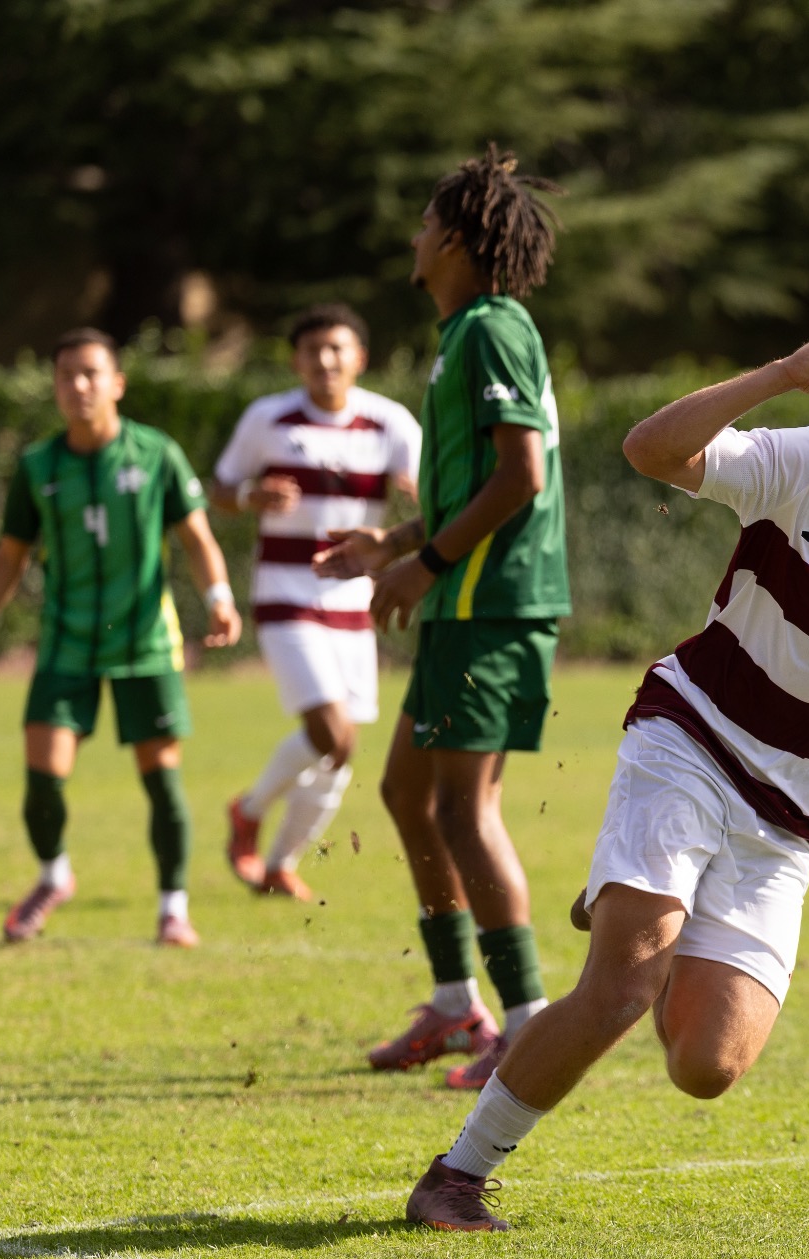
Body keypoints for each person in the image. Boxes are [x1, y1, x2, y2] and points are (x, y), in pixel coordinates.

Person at [403, 320, 809, 1231]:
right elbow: (649, 449)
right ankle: (457, 1174)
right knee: (621, 988)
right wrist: (777, 373)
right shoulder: (807, 464)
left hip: (792, 816)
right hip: (691, 738)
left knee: (707, 1065)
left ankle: (643, 896)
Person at [314, 147, 568, 1089]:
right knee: (406, 794)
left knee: (464, 806)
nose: (414, 237)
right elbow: (479, 484)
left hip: (492, 606)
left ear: (458, 240)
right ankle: (461, 1001)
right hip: (462, 600)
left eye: (426, 223)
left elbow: (522, 478)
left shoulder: (496, 328)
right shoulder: (466, 334)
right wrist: (391, 542)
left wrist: (421, 566)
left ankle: (532, 1024)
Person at [0, 328, 243, 946]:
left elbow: (198, 540)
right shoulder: (38, 466)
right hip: (66, 643)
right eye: (66, 376)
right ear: (54, 388)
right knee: (43, 774)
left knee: (161, 777)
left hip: (145, 642)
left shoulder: (157, 454)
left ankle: (173, 908)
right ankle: (54, 876)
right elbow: (8, 560)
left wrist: (220, 598)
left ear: (117, 383)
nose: (79, 386)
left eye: (91, 374)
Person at [212, 303, 421, 902]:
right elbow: (220, 488)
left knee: (342, 751)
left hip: (356, 597)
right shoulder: (268, 418)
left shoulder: (389, 423)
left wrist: (414, 495)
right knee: (334, 735)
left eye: (337, 349)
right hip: (285, 591)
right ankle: (249, 811)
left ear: (359, 357)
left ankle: (279, 864)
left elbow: (430, 492)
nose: (325, 361)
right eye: (312, 351)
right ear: (296, 361)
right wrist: (252, 494)